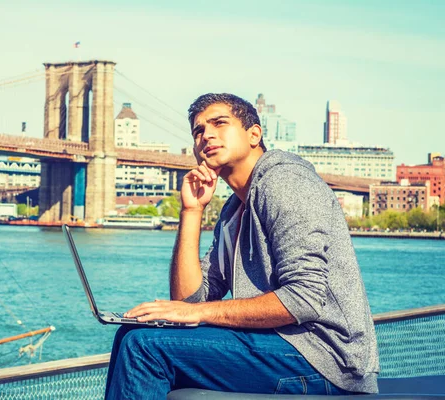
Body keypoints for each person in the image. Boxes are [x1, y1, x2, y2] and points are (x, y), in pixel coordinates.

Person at [105, 93, 379, 398]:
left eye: (219, 123)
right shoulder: (234, 209)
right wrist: (192, 212)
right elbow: (188, 302)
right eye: (198, 131)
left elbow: (304, 298)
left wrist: (200, 314)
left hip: (325, 359)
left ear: (254, 134)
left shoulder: (286, 181)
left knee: (143, 347)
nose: (206, 134)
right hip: (279, 347)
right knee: (131, 333)